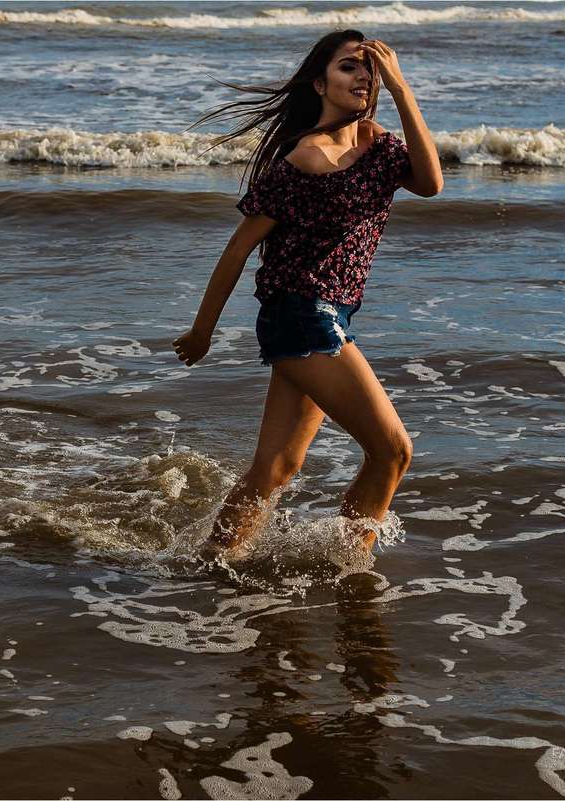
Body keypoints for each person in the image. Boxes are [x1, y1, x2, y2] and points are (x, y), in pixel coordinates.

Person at [172, 32, 443, 559]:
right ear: (319, 83)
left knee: (276, 467)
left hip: (328, 315)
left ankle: (213, 560)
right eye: (348, 68)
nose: (363, 77)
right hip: (301, 316)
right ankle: (351, 568)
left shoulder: (380, 145)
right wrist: (203, 330)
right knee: (392, 453)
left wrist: (404, 90)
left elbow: (430, 182)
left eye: (370, 69)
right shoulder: (302, 161)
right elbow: (236, 252)